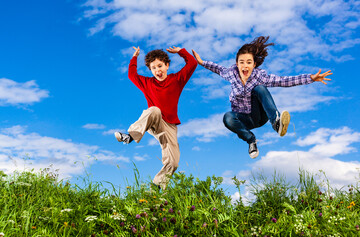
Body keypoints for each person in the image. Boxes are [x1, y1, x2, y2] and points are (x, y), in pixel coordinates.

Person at [192, 36, 332, 159]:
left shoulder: (260, 76)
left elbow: (283, 81)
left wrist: (311, 78)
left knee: (259, 88)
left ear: (254, 64)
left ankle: (276, 122)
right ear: (237, 64)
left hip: (259, 116)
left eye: (248, 62)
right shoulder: (231, 73)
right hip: (243, 119)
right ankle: (251, 141)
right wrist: (202, 62)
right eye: (241, 62)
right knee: (227, 117)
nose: (245, 66)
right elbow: (218, 68)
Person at [114, 46, 197, 189]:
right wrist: (134, 58)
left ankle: (158, 184)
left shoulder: (177, 79)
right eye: (153, 68)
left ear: (167, 65)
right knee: (154, 110)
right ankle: (130, 136)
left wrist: (180, 51)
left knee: (173, 162)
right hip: (153, 121)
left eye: (160, 66)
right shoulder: (147, 83)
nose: (158, 70)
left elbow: (192, 64)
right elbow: (132, 75)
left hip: (169, 126)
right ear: (150, 70)